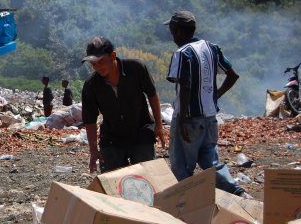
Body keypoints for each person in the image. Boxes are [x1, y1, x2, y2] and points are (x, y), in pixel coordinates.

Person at [165, 10, 250, 198]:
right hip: (210, 118)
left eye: (172, 31)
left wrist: (181, 121)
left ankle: (187, 205)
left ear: (178, 31)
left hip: (188, 119)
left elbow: (185, 85)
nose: (172, 36)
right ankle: (238, 194)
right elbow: (233, 75)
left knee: (182, 168)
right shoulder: (212, 48)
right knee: (212, 164)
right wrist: (215, 96)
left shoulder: (182, 53)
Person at [81, 36, 166, 173]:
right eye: (93, 64)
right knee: (112, 183)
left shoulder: (136, 68)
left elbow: (152, 95)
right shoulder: (91, 85)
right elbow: (90, 119)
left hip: (141, 131)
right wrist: (93, 151)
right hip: (112, 138)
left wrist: (159, 125)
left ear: (113, 55)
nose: (98, 67)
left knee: (146, 179)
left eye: (101, 61)